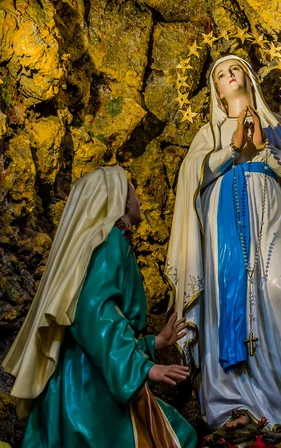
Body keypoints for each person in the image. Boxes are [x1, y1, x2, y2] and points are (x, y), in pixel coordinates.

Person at [165, 55, 281, 431]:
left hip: (271, 217)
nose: (229, 76)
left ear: (249, 78)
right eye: (221, 74)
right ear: (216, 90)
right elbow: (192, 177)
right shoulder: (209, 131)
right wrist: (231, 148)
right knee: (227, 300)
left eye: (235, 69)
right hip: (224, 228)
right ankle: (234, 404)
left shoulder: (276, 125)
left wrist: (263, 148)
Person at [2, 165, 197, 448]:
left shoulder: (104, 244)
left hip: (78, 384)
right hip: (90, 393)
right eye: (131, 189)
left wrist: (156, 342)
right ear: (115, 196)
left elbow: (102, 327)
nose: (139, 198)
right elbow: (96, 314)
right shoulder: (109, 242)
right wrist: (141, 369)